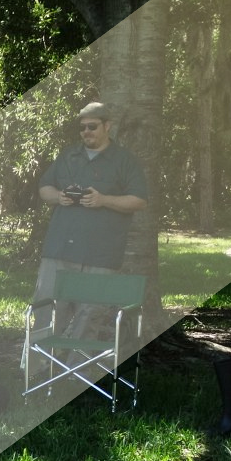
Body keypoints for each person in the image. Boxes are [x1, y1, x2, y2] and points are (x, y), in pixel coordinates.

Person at [33, 102, 149, 336]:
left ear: (107, 126)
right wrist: (59, 196)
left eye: (92, 126)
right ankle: (39, 360)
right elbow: (44, 188)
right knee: (47, 312)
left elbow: (139, 200)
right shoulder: (68, 156)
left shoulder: (124, 160)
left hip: (100, 254)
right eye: (82, 127)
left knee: (89, 316)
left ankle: (78, 361)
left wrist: (103, 200)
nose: (86, 131)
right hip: (59, 250)